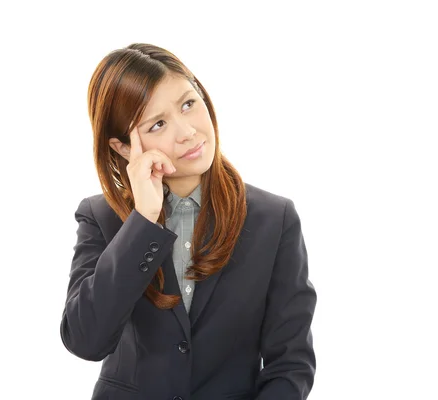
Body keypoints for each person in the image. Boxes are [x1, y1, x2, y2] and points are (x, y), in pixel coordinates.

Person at [59, 43, 317, 400]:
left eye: (188, 104)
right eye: (158, 124)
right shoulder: (101, 217)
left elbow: (290, 364)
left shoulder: (274, 219)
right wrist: (143, 221)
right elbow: (86, 341)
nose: (187, 132)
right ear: (123, 148)